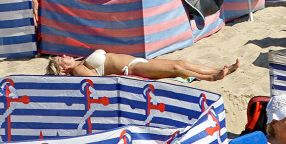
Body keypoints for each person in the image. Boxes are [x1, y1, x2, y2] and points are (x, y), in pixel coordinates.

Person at [47, 52, 241, 80]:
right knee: (176, 70)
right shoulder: (79, 71)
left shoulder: (81, 62)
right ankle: (212, 78)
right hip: (132, 69)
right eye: (60, 60)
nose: (63, 56)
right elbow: (100, 82)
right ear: (63, 69)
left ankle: (219, 70)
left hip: (136, 61)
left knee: (181, 63)